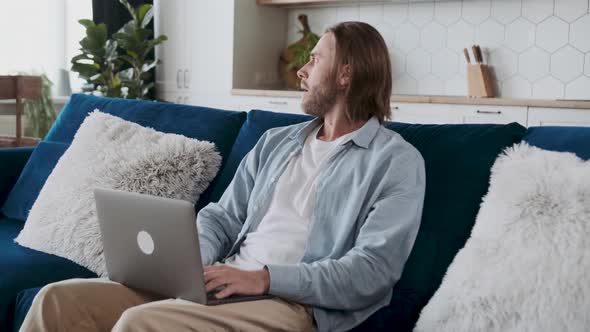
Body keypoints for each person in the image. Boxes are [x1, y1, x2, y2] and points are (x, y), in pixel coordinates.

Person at [20, 21, 426, 332]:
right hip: (225, 278)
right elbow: (223, 216)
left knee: (141, 323)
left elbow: (372, 271)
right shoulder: (277, 142)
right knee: (54, 300)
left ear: (345, 75)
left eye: (315, 59)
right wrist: (191, 261)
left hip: (294, 303)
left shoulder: (394, 161)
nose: (302, 71)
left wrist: (262, 279)